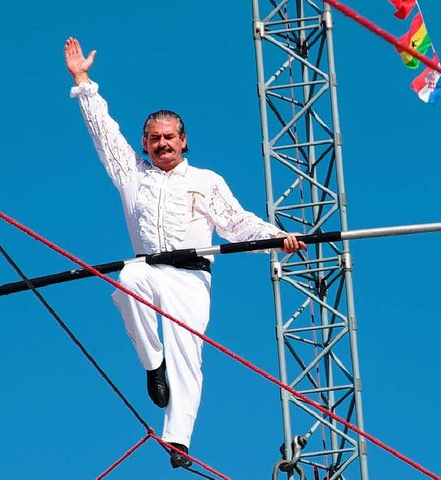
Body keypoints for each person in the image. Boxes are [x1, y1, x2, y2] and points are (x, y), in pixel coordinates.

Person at [64, 37, 306, 469]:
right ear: (145, 142)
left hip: (191, 279)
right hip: (149, 268)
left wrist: (277, 237)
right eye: (154, 139)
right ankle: (152, 362)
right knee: (129, 280)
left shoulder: (207, 181)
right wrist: (83, 80)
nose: (162, 145)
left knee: (187, 355)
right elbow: (104, 134)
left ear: (184, 140)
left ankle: (177, 439)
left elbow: (239, 222)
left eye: (170, 138)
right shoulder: (132, 174)